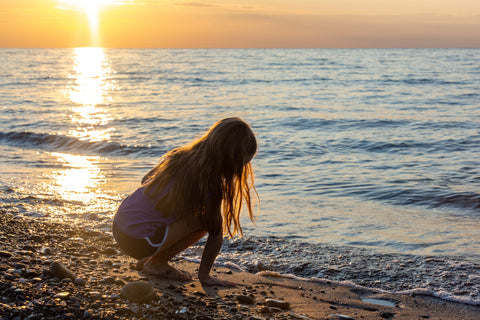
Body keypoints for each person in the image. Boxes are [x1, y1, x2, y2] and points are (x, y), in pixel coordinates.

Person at [112, 117, 258, 287]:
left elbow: (145, 179)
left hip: (119, 227)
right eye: (240, 165)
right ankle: (156, 263)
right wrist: (205, 277)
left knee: (190, 214)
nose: (239, 172)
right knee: (207, 222)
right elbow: (216, 234)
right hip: (138, 241)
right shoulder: (209, 183)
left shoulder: (178, 156)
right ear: (229, 159)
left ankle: (150, 259)